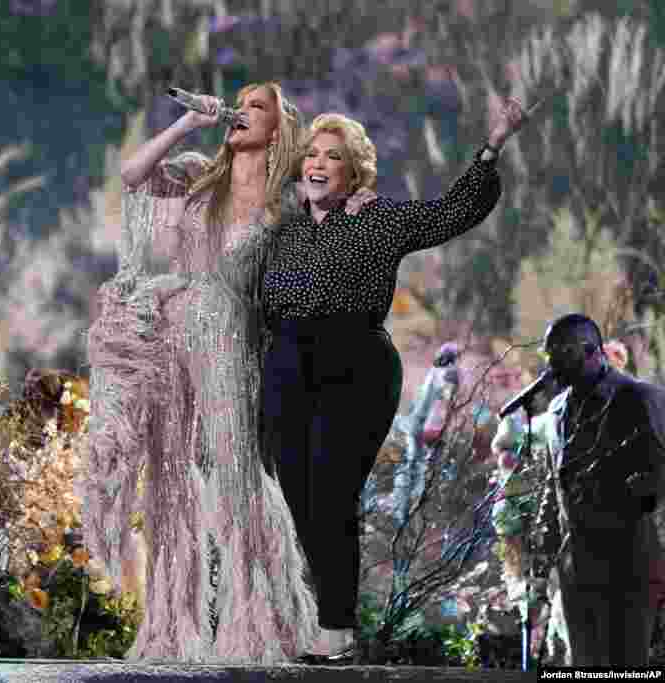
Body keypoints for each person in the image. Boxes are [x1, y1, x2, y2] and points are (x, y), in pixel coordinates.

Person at [81, 82, 376, 663]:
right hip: (176, 330)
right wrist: (188, 123)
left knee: (237, 471)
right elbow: (133, 175)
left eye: (257, 105)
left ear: (278, 128)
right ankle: (172, 624)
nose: (242, 111)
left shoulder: (287, 201)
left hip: (231, 338)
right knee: (171, 478)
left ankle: (258, 621)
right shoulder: (200, 176)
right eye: (240, 103)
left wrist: (358, 202)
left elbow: (335, 208)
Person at [260, 94, 533, 660]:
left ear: (352, 171)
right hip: (287, 364)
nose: (317, 163)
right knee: (297, 501)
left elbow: (450, 212)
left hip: (353, 363)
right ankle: (309, 617)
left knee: (331, 496)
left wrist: (494, 142)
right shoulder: (282, 231)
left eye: (332, 157)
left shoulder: (378, 218)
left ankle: (333, 631)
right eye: (311, 153)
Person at [533, 313, 665, 666]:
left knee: (625, 664)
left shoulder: (639, 397)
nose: (552, 363)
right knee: (584, 664)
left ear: (592, 351)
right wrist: (544, 545)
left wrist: (637, 487)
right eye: (548, 354)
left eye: (562, 352)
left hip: (628, 561)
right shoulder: (557, 409)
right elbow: (552, 482)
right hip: (576, 566)